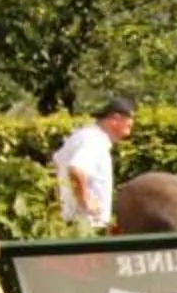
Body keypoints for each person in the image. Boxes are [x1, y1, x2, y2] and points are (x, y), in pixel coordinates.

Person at [50, 96, 136, 232]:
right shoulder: (93, 140)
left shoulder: (85, 137)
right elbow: (76, 169)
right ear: (116, 118)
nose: (132, 123)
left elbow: (57, 164)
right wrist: (85, 200)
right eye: (130, 119)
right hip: (85, 227)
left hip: (77, 224)